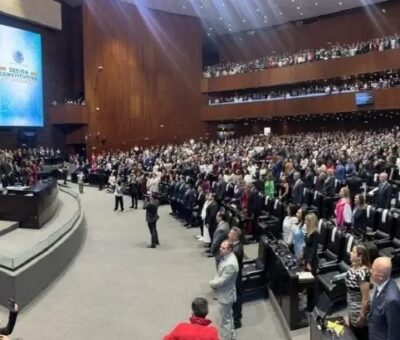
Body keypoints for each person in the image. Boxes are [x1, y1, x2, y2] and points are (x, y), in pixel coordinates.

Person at [209, 240, 239, 340]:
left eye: (223, 248)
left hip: (226, 295)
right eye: (221, 247)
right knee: (228, 317)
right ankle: (231, 336)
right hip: (225, 293)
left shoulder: (230, 264)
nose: (220, 249)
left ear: (230, 249)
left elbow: (222, 281)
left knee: (224, 321)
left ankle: (226, 338)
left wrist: (212, 283)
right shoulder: (227, 257)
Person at [368, 257, 400, 340]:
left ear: (380, 276)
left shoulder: (392, 301)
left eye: (373, 269)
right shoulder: (382, 283)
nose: (370, 271)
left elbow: (394, 333)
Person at [346, 245, 371, 340]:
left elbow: (365, 298)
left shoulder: (362, 273)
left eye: (353, 252)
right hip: (351, 308)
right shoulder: (353, 267)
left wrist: (362, 316)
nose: (350, 253)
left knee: (360, 336)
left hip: (358, 311)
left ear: (359, 256)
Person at [303, 213, 320, 312]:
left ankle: (313, 306)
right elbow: (307, 246)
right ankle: (309, 305)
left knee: (312, 285)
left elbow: (314, 249)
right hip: (307, 258)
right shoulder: (308, 231)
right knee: (308, 284)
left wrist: (309, 262)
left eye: (306, 221)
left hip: (312, 261)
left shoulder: (315, 233)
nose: (305, 222)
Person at [228, 227, 244, 329]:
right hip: (236, 275)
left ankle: (237, 321)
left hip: (236, 277)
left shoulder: (236, 250)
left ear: (234, 236)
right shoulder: (236, 246)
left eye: (230, 233)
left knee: (237, 298)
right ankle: (238, 314)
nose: (228, 234)